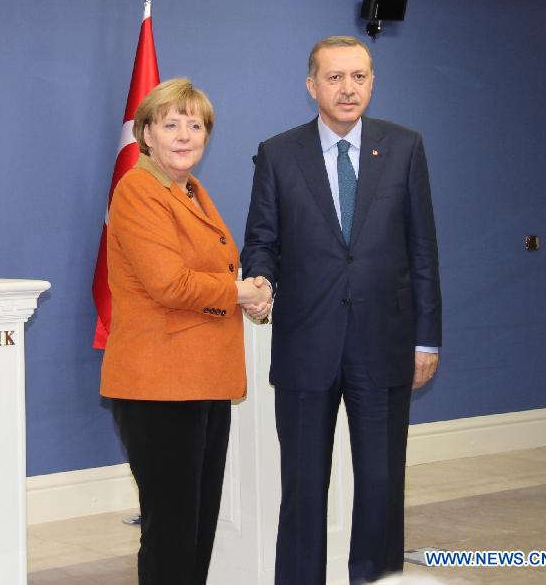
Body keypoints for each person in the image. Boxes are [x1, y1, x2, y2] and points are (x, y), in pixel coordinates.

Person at [242, 36, 442, 585]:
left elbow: (423, 249)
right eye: (334, 77)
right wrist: (259, 276)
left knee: (380, 485)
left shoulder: (405, 147)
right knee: (304, 490)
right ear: (312, 86)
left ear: (372, 82)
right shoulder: (278, 154)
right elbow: (262, 240)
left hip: (385, 345)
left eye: (358, 76)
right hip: (307, 347)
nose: (347, 88)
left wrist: (427, 339)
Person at [100, 77, 272, 585]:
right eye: (170, 124)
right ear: (145, 133)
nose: (184, 135)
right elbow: (169, 284)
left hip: (204, 380)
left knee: (197, 522)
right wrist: (240, 292)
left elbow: (210, 276)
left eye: (195, 125)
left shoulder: (192, 190)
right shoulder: (138, 189)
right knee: (171, 528)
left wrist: (251, 302)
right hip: (159, 385)